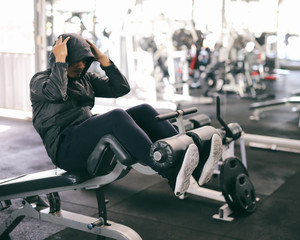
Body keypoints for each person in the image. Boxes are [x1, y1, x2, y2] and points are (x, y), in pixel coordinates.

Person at [30, 33, 223, 197]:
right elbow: (56, 94)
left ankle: (193, 164)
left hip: (84, 139)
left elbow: (120, 88)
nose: (80, 65)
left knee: (144, 110)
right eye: (75, 60)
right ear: (59, 59)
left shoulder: (85, 79)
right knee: (116, 116)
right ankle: (167, 167)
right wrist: (61, 62)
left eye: (84, 60)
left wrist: (103, 60)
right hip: (66, 150)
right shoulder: (40, 81)